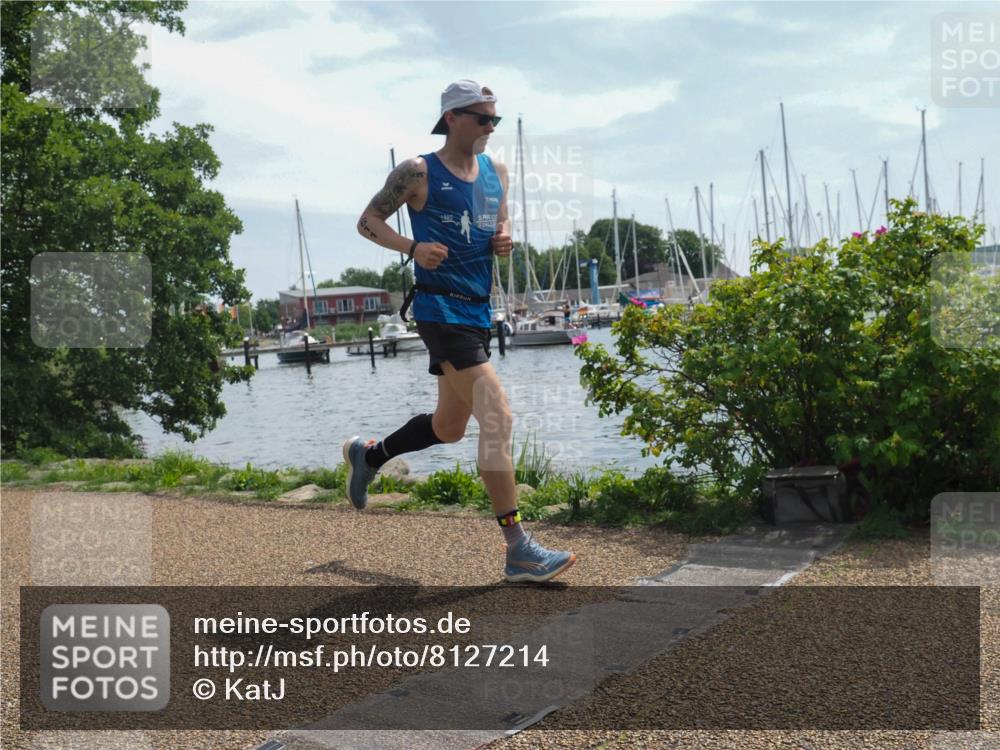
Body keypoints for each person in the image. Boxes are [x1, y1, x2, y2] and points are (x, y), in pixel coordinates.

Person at [343, 80, 576, 583]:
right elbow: (367, 221)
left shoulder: (498, 173)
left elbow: (499, 218)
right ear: (453, 117)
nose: (491, 127)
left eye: (495, 119)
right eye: (483, 118)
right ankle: (518, 548)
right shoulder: (417, 172)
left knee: (449, 427)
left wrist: (504, 236)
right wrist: (411, 248)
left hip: (477, 312)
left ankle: (369, 455)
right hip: (438, 309)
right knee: (498, 415)